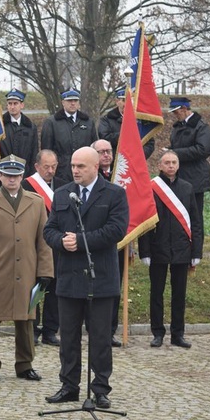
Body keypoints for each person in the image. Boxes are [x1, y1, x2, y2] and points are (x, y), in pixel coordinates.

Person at [43, 147, 128, 409]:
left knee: (100, 337)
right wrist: (61, 241)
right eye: (73, 166)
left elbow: (115, 230)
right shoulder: (62, 193)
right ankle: (69, 385)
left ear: (95, 167)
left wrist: (80, 241)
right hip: (69, 278)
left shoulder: (114, 194)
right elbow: (50, 230)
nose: (75, 170)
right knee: (68, 337)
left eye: (81, 166)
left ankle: (100, 388)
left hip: (100, 278)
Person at [0, 156, 53, 382]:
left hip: (27, 270)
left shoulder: (36, 202)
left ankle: (25, 363)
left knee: (26, 319)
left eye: (16, 175)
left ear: (22, 176)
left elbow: (43, 241)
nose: (12, 179)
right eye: (7, 175)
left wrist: (45, 272)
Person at [139, 151, 202, 349]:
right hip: (158, 249)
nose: (171, 166)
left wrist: (196, 252)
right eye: (167, 162)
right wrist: (145, 251)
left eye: (174, 162)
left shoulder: (187, 188)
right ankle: (157, 333)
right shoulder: (151, 188)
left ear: (178, 165)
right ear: (160, 165)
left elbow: (196, 222)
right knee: (156, 293)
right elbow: (145, 221)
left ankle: (178, 334)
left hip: (182, 249)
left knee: (179, 295)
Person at [22, 150, 67, 346]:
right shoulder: (26, 186)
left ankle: (50, 329)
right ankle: (33, 327)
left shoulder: (64, 186)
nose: (50, 170)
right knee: (36, 286)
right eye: (46, 167)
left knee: (54, 287)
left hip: (56, 244)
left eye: (54, 166)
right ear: (37, 166)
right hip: (33, 243)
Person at [92, 139, 127, 347]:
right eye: (101, 151)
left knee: (114, 287)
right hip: (92, 240)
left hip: (116, 240)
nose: (106, 155)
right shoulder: (87, 177)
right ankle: (92, 327)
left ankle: (110, 330)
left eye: (109, 151)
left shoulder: (121, 177)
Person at [166, 97, 210, 252]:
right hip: (180, 177)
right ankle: (182, 246)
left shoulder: (201, 127)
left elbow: (202, 150)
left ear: (185, 109)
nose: (174, 115)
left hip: (196, 179)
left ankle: (196, 250)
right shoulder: (178, 127)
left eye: (176, 111)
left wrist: (175, 153)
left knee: (195, 216)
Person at [40, 88, 98, 181]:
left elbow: (94, 148)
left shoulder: (88, 122)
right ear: (63, 102)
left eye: (75, 100)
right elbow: (47, 150)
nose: (73, 103)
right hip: (61, 172)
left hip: (84, 170)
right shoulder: (52, 122)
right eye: (69, 101)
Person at [99, 87, 155, 158]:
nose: (127, 104)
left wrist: (139, 155)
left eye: (131, 101)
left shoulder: (141, 121)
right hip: (115, 161)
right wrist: (125, 134)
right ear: (117, 101)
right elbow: (105, 138)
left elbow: (149, 142)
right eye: (124, 100)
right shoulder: (107, 120)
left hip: (137, 161)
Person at [0, 89, 39, 176]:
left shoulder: (30, 127)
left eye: (15, 103)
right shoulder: (0, 125)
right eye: (10, 103)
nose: (12, 107)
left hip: (24, 173)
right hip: (4, 172)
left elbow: (34, 153)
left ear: (22, 105)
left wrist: (32, 175)